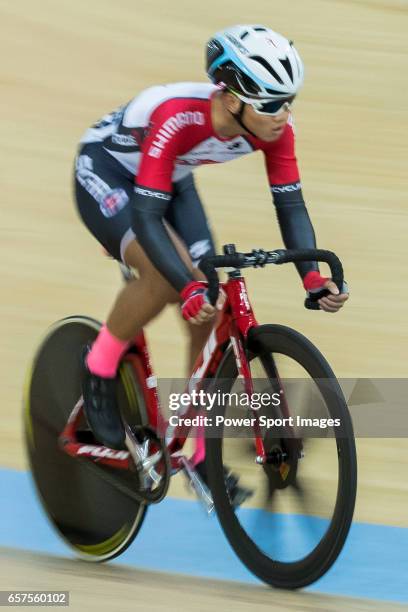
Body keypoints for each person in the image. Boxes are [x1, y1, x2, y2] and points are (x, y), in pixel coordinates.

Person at [74, 24, 349, 461]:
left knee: (208, 302)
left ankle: (197, 448)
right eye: (273, 103)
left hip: (169, 177)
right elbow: (146, 217)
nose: (284, 114)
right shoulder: (177, 115)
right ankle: (98, 367)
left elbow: (291, 205)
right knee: (171, 281)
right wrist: (182, 285)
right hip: (108, 174)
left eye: (289, 101)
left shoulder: (274, 129)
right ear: (233, 98)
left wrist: (311, 278)